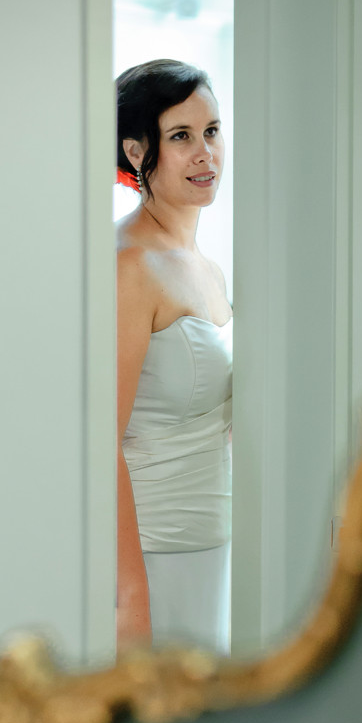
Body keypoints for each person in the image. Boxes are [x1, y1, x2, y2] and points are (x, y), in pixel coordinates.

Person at [115, 59, 232, 653]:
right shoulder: (128, 265)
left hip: (218, 543)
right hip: (154, 554)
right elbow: (96, 442)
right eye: (181, 136)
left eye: (211, 131)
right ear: (137, 152)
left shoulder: (209, 268)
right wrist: (130, 593)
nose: (205, 154)